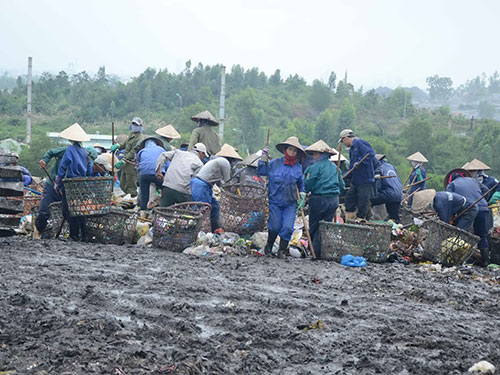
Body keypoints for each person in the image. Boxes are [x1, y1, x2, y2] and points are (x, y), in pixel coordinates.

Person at [258, 136, 306, 258]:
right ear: (285, 150)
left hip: (290, 203)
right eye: (290, 149)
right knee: (274, 227)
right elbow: (262, 171)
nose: (292, 153)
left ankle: (281, 250)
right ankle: (269, 246)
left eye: (295, 151)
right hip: (275, 201)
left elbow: (301, 184)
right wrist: (263, 159)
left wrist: (302, 194)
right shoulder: (274, 164)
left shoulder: (298, 168)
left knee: (288, 227)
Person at [34, 145, 97, 237]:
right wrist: (45, 160)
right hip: (53, 185)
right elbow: (53, 155)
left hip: (69, 189)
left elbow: (87, 175)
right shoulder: (67, 150)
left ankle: (73, 236)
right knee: (44, 212)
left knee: (69, 213)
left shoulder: (86, 159)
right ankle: (39, 229)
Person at [304, 140, 345, 259]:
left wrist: (305, 192)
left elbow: (308, 184)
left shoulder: (314, 167)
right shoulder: (335, 168)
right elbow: (341, 186)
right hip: (333, 200)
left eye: (315, 154)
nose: (313, 156)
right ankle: (320, 250)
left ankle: (314, 250)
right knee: (325, 226)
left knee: (315, 225)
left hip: (319, 200)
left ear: (320, 154)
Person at [53, 123, 93, 242]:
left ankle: (74, 235)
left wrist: (58, 182)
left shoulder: (70, 150)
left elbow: (63, 167)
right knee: (80, 209)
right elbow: (89, 171)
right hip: (82, 184)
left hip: (71, 184)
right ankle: (84, 235)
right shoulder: (85, 153)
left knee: (68, 210)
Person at [191, 144, 243, 232]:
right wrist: (234, 196)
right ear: (232, 160)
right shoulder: (225, 162)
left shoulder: (217, 161)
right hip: (201, 185)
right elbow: (227, 182)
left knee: (215, 206)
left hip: (204, 185)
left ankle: (214, 228)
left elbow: (219, 182)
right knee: (203, 210)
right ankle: (199, 231)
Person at [446, 171, 490, 266]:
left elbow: (449, 200)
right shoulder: (473, 180)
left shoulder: (452, 184)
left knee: (464, 234)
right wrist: (484, 201)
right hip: (483, 208)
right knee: (482, 235)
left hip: (468, 209)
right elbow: (486, 191)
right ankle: (485, 262)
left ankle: (462, 258)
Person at [339, 129, 375, 221]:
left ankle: (361, 217)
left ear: (346, 138)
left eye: (343, 141)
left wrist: (360, 162)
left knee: (363, 199)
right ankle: (350, 216)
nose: (343, 144)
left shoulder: (360, 143)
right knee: (349, 197)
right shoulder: (352, 149)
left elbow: (370, 154)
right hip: (356, 179)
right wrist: (346, 175)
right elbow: (351, 166)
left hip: (365, 178)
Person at [412, 189, 478, 232]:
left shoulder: (439, 204)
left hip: (469, 209)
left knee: (459, 232)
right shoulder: (437, 197)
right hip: (459, 210)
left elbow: (445, 224)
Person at [110, 117, 144, 197]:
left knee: (131, 185)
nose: (134, 126)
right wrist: (118, 145)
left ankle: (133, 199)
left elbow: (133, 151)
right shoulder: (131, 135)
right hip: (125, 164)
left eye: (136, 125)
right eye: (133, 124)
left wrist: (124, 160)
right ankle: (128, 197)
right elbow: (125, 144)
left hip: (131, 164)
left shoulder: (140, 138)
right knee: (122, 184)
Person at [136, 137, 166, 217]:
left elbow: (138, 164)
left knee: (144, 195)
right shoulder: (162, 150)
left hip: (144, 175)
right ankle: (161, 212)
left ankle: (142, 214)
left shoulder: (142, 151)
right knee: (165, 191)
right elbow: (167, 164)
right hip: (157, 173)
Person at [371, 154, 403, 222]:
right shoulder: (391, 166)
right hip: (399, 194)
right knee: (394, 217)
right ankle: (397, 229)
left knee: (369, 201)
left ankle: (367, 219)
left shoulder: (378, 169)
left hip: (389, 193)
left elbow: (378, 187)